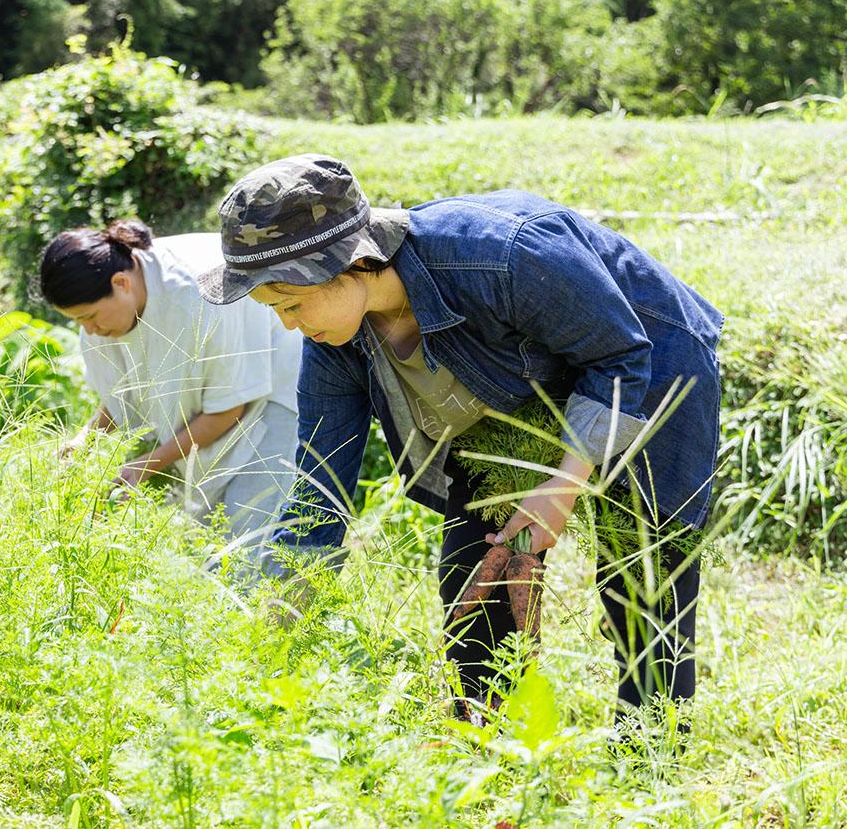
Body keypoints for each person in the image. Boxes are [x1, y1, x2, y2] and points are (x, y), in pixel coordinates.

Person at [197, 153, 723, 725]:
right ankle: (485, 751)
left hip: (647, 362)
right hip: (515, 394)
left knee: (642, 581)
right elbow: (320, 476)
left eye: (292, 304)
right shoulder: (336, 340)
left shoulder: (504, 254)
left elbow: (619, 355)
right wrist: (288, 605)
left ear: (349, 262)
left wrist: (564, 485)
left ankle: (649, 760)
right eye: (275, 310)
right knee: (475, 575)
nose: (289, 326)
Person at [42, 219, 302, 553]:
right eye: (78, 321)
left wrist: (146, 464)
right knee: (207, 547)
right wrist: (86, 439)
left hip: (274, 386)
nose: (88, 330)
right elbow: (125, 392)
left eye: (90, 317)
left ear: (121, 283)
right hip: (217, 406)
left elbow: (229, 408)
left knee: (248, 540)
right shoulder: (106, 312)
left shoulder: (197, 296)